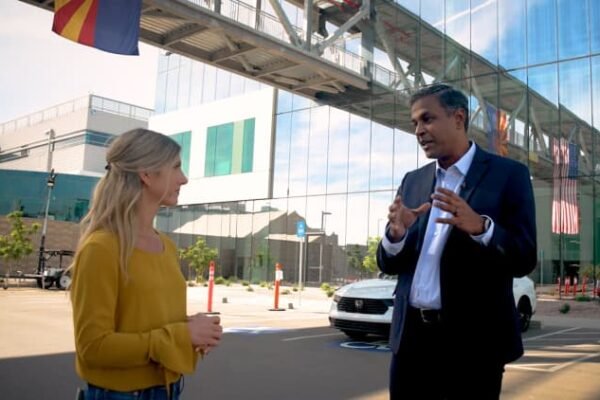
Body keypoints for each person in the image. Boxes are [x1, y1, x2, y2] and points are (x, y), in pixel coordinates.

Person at [377, 83, 537, 399]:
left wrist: (481, 227)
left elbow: (524, 257)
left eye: (427, 119)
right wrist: (396, 236)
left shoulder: (509, 175)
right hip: (410, 342)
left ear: (459, 118)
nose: (419, 131)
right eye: (415, 123)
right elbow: (389, 264)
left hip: (473, 347)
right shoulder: (413, 181)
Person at [70, 128, 223, 399]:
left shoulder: (167, 246)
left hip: (169, 389)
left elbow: (148, 322)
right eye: (176, 167)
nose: (184, 178)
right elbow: (92, 347)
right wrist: (180, 336)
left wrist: (194, 331)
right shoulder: (101, 248)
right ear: (147, 174)